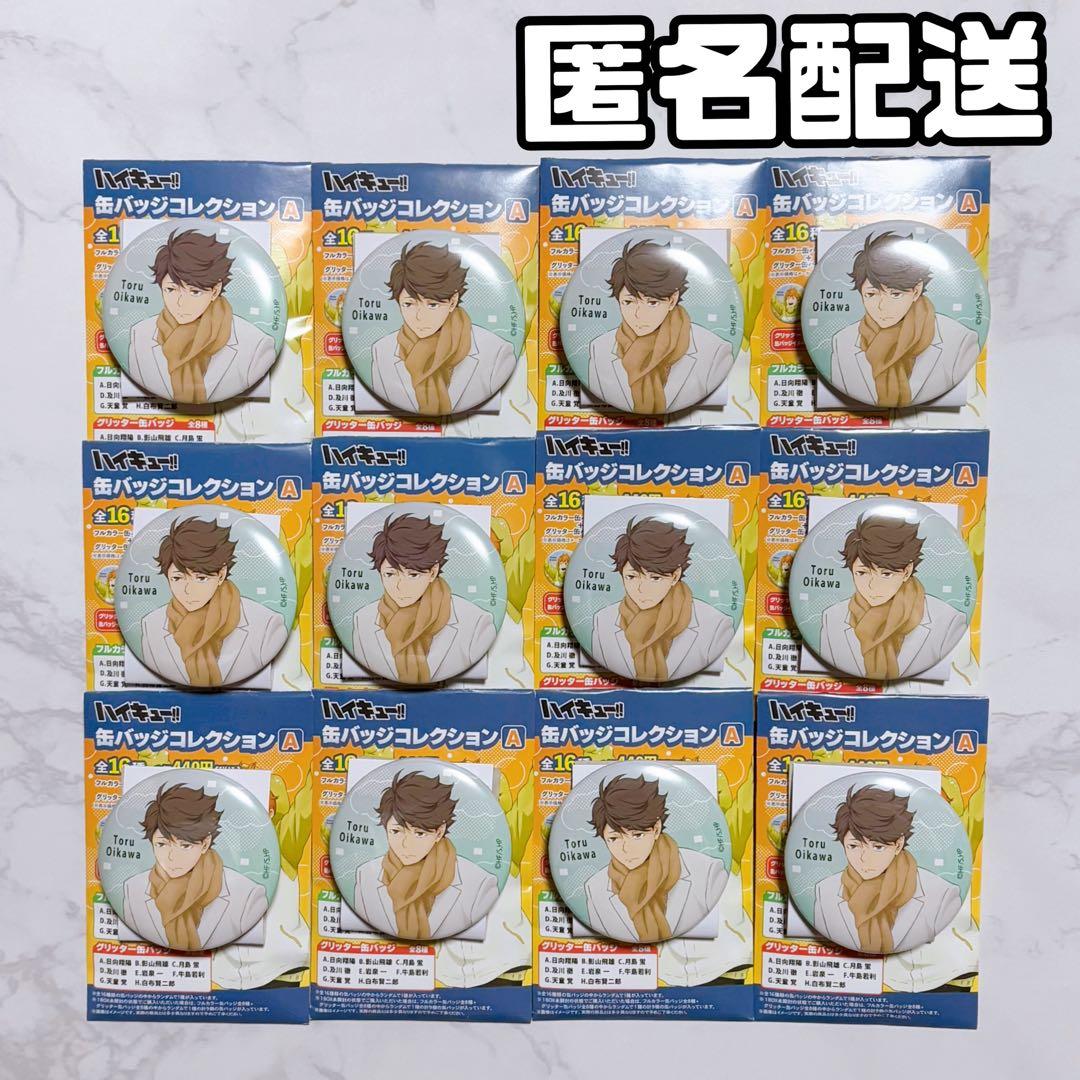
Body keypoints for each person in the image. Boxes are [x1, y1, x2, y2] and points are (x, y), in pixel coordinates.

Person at [828, 231, 979, 407]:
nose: (882, 306)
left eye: (895, 294)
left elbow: (973, 401)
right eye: (871, 294)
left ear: (916, 291)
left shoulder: (960, 341)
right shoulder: (842, 342)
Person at [127, 229, 277, 403]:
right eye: (170, 289)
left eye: (195, 292)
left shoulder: (256, 345)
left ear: (215, 291)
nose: (180, 302)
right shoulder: (141, 335)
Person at [586, 239, 734, 414]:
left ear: (672, 300)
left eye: (652, 302)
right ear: (618, 300)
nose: (639, 314)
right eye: (628, 302)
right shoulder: (599, 349)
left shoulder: (714, 351)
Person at [139, 516, 289, 687]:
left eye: (201, 578)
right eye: (177, 578)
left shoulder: (266, 625)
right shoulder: (151, 625)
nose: (188, 590)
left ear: (221, 574)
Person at [813, 784, 962, 954]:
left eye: (878, 847)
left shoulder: (942, 895)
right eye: (853, 846)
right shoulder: (825, 891)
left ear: (898, 845)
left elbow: (947, 953)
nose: (864, 858)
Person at [370, 241, 516, 415]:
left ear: (453, 302)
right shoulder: (382, 351)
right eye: (408, 304)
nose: (419, 316)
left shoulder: (496, 352)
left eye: (432, 305)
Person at [351, 513, 497, 684]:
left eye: (413, 575)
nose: (400, 586)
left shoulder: (476, 622)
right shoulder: (363, 620)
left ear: (433, 572)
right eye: (390, 574)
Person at [351, 770, 498, 940]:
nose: (406, 844)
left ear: (439, 832)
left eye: (419, 833)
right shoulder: (365, 876)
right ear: (385, 828)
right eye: (396, 831)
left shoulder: (479, 884)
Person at [817, 514, 966, 680]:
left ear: (907, 571)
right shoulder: (832, 618)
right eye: (862, 572)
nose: (872, 585)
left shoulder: (948, 621)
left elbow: (960, 676)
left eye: (886, 574)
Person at [121, 783, 268, 951]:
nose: (171, 857)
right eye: (161, 844)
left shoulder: (247, 895)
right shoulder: (133, 889)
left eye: (185, 846)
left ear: (205, 844)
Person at [583, 775, 726, 942]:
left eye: (637, 835)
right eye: (614, 838)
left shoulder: (707, 872)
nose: (626, 848)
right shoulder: (595, 888)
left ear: (656, 829)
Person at [590, 518, 735, 682]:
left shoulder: (716, 626)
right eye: (631, 576)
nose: (641, 589)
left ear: (675, 576)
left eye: (655, 578)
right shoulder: (603, 621)